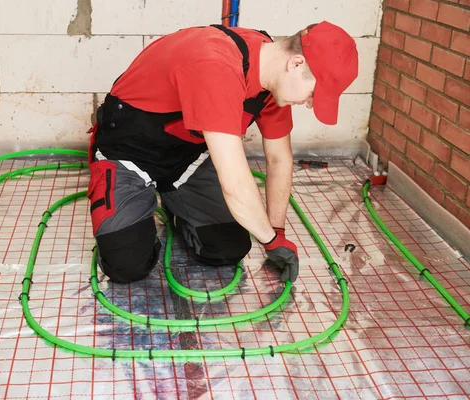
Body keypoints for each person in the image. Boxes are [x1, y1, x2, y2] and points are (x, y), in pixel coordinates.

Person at [85, 21, 358, 284]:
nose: (309, 104)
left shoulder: (273, 81)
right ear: (296, 64)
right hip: (129, 154)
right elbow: (236, 185)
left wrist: (276, 232)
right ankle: (138, 206)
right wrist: (271, 242)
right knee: (126, 265)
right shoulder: (215, 64)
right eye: (313, 94)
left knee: (228, 248)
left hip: (186, 160)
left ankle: (172, 200)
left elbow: (279, 160)